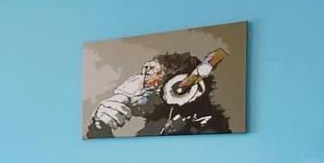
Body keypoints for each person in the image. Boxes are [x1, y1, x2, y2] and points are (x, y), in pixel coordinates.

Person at [87, 50, 230, 137]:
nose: (134, 80)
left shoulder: (204, 128)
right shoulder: (153, 129)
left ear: (174, 87)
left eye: (148, 72)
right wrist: (99, 127)